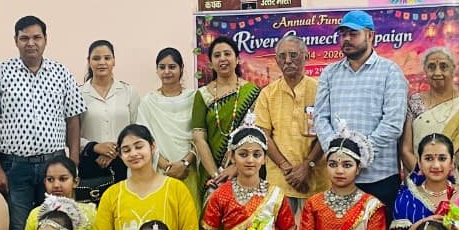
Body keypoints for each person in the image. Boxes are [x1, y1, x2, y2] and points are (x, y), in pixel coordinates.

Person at [0, 15, 86, 230]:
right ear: (16, 40)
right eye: (24, 38)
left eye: (37, 37)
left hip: (54, 165)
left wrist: (73, 163)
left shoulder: (61, 73)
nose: (31, 43)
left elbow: (73, 119)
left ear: (45, 40)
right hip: (14, 166)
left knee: (58, 226)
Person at [313, 11, 408, 225]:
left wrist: (359, 153)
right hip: (340, 177)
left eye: (353, 34)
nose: (346, 39)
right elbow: (320, 118)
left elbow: (393, 123)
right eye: (343, 34)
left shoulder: (390, 71)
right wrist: (339, 153)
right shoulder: (330, 73)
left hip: (380, 177)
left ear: (370, 35)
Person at [92, 125, 200, 230]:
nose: (133, 153)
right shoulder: (112, 195)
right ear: (120, 155)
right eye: (126, 150)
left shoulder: (176, 190)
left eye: (139, 146)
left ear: (153, 146)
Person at [400, 47, 459, 199]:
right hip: (420, 184)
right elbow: (406, 150)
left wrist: (448, 181)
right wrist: (424, 178)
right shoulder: (414, 102)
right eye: (431, 67)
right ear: (425, 71)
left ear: (453, 70)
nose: (437, 72)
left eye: (443, 66)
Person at [253, 34, 326, 203]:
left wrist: (307, 165)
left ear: (306, 57)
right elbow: (263, 134)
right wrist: (286, 168)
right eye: (282, 56)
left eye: (293, 55)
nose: (287, 61)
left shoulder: (321, 90)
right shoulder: (267, 94)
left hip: (316, 180)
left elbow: (327, 132)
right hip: (280, 181)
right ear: (276, 61)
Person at [191, 36, 261, 195]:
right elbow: (198, 138)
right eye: (217, 55)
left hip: (246, 171)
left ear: (237, 59)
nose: (222, 58)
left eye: (227, 54)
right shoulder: (203, 95)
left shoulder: (253, 92)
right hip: (211, 177)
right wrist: (217, 176)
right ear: (211, 63)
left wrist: (236, 167)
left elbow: (258, 135)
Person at [136, 47, 199, 204]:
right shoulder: (149, 102)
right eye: (162, 67)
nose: (167, 72)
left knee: (189, 213)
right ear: (157, 70)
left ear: (181, 68)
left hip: (189, 170)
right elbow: (143, 139)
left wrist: (184, 164)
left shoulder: (194, 98)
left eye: (172, 67)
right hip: (160, 170)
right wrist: (167, 167)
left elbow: (200, 135)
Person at [79, 39, 141, 185]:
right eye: (96, 58)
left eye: (107, 58)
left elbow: (137, 129)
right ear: (88, 61)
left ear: (114, 61)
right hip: (90, 164)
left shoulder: (128, 92)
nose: (102, 62)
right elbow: (72, 135)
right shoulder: (78, 93)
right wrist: (95, 147)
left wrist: (114, 151)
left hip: (125, 162)